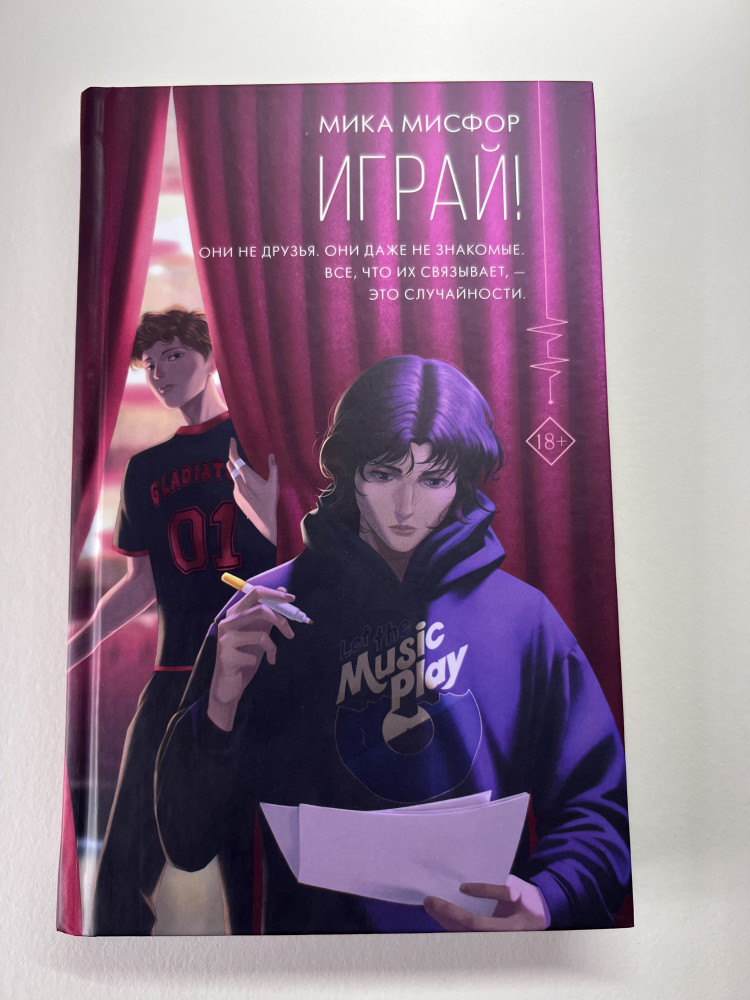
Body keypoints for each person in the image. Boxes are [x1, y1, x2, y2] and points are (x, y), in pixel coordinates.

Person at [155, 355, 631, 933]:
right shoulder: (259, 616)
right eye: (383, 474)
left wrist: (551, 897)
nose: (406, 508)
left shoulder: (524, 619)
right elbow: (185, 842)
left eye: (432, 479)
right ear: (350, 474)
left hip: (482, 959)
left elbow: (598, 808)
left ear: (461, 482)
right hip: (312, 963)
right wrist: (219, 704)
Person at [69, 307, 279, 934]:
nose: (160, 372)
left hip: (257, 679)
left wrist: (272, 516)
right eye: (150, 363)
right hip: (172, 681)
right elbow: (141, 584)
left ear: (211, 357)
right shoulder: (145, 470)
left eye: (174, 355)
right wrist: (72, 647)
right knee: (121, 876)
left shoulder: (260, 439)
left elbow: (298, 553)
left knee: (254, 876)